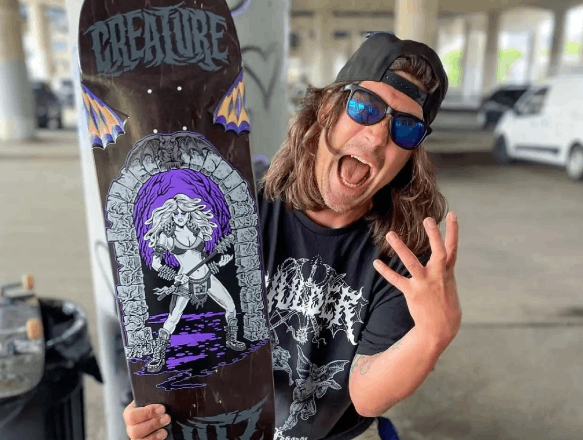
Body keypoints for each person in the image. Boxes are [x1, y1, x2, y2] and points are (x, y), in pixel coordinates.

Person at [123, 31, 462, 440]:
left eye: (406, 128)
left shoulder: (404, 255)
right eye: (365, 107)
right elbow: (188, 349)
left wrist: (432, 336)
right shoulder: (243, 210)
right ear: (327, 110)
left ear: (410, 155)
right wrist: (160, 408)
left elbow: (367, 396)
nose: (377, 138)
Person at [142, 193, 243, 373]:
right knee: (173, 318)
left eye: (183, 212)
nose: (180, 216)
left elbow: (201, 260)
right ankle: (158, 357)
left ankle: (231, 340)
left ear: (189, 212)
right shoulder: (166, 236)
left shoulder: (197, 230)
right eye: (176, 213)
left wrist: (219, 264)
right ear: (171, 214)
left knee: (230, 306)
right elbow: (156, 263)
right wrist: (174, 277)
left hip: (207, 277)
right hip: (184, 281)